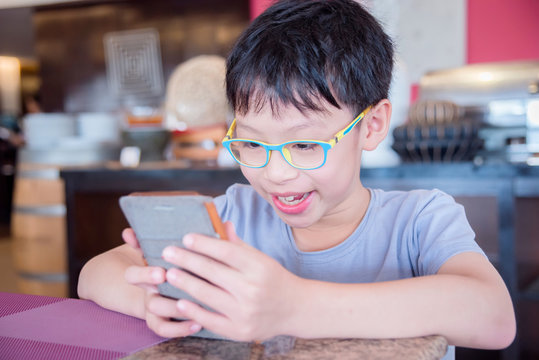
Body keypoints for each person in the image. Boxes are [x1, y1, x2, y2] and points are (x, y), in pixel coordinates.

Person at [77, 0, 516, 358]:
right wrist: (156, 303)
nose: (276, 174)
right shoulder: (233, 214)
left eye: (305, 145)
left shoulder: (420, 220)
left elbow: (493, 318)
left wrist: (291, 306)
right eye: (251, 144)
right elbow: (96, 273)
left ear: (372, 125)